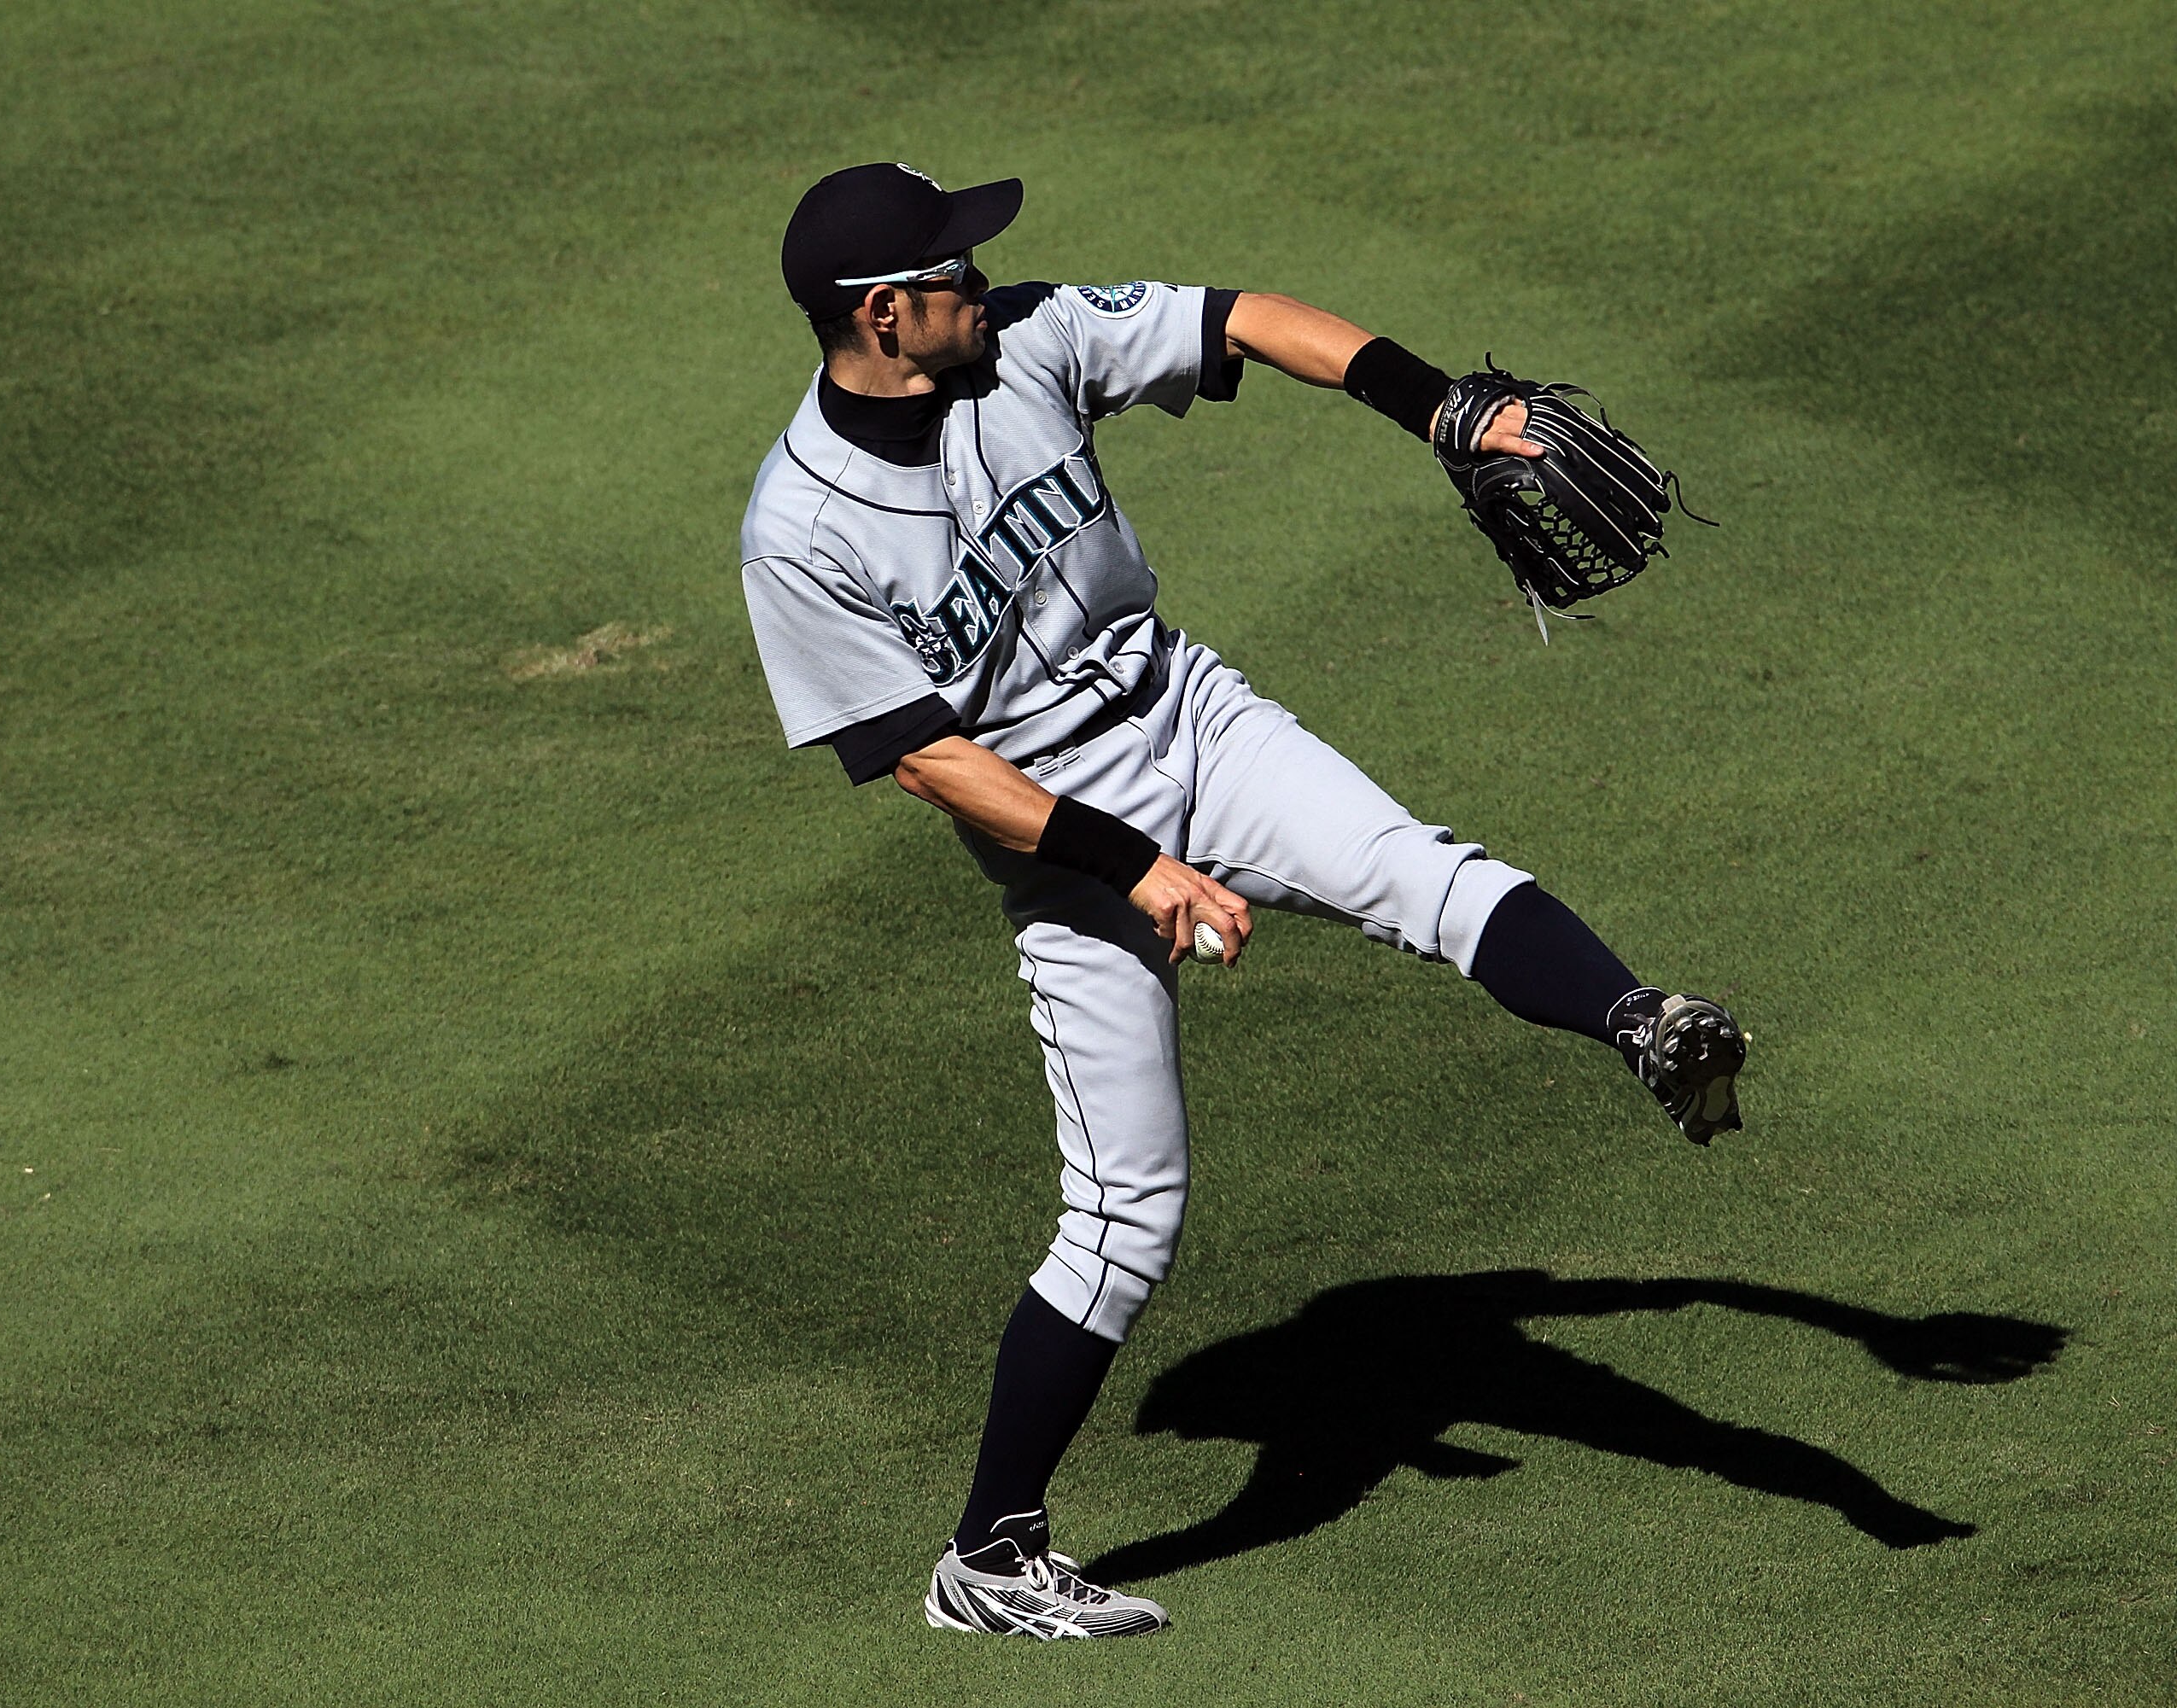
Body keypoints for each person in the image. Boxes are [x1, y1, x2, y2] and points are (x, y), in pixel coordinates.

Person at [738, 162, 1747, 1640]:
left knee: (1418, 865)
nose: (984, 276)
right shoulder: (801, 531)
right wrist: (1133, 864)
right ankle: (989, 1554)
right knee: (1125, 1214)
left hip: (1194, 715)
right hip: (1061, 845)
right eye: (952, 269)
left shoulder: (1027, 339)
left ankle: (1639, 1018)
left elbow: (1248, 318)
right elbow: (930, 765)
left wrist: (1440, 406)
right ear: (881, 315)